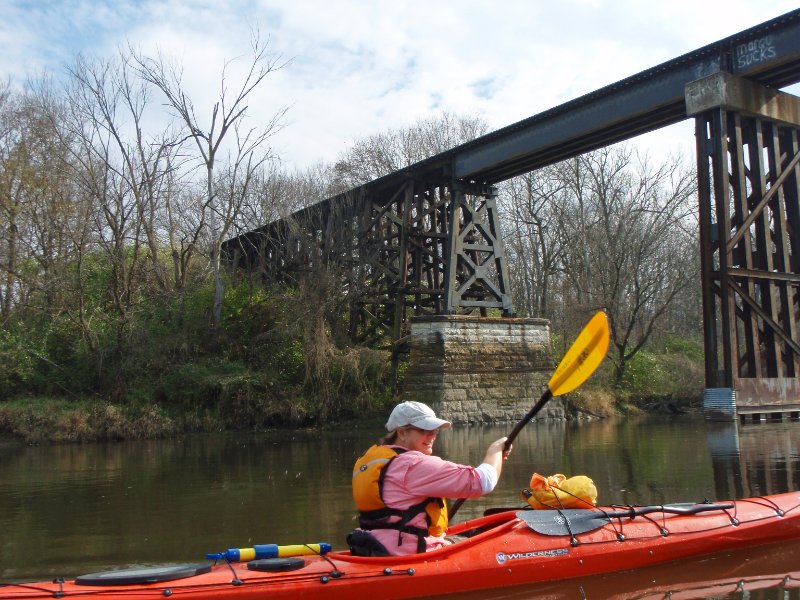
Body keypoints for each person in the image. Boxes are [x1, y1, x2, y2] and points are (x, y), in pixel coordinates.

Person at [349, 401, 511, 556]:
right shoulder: (413, 464)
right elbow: (484, 481)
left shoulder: (371, 460)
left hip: (375, 546)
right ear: (402, 432)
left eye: (435, 430)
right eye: (424, 430)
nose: (432, 435)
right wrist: (495, 451)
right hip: (409, 553)